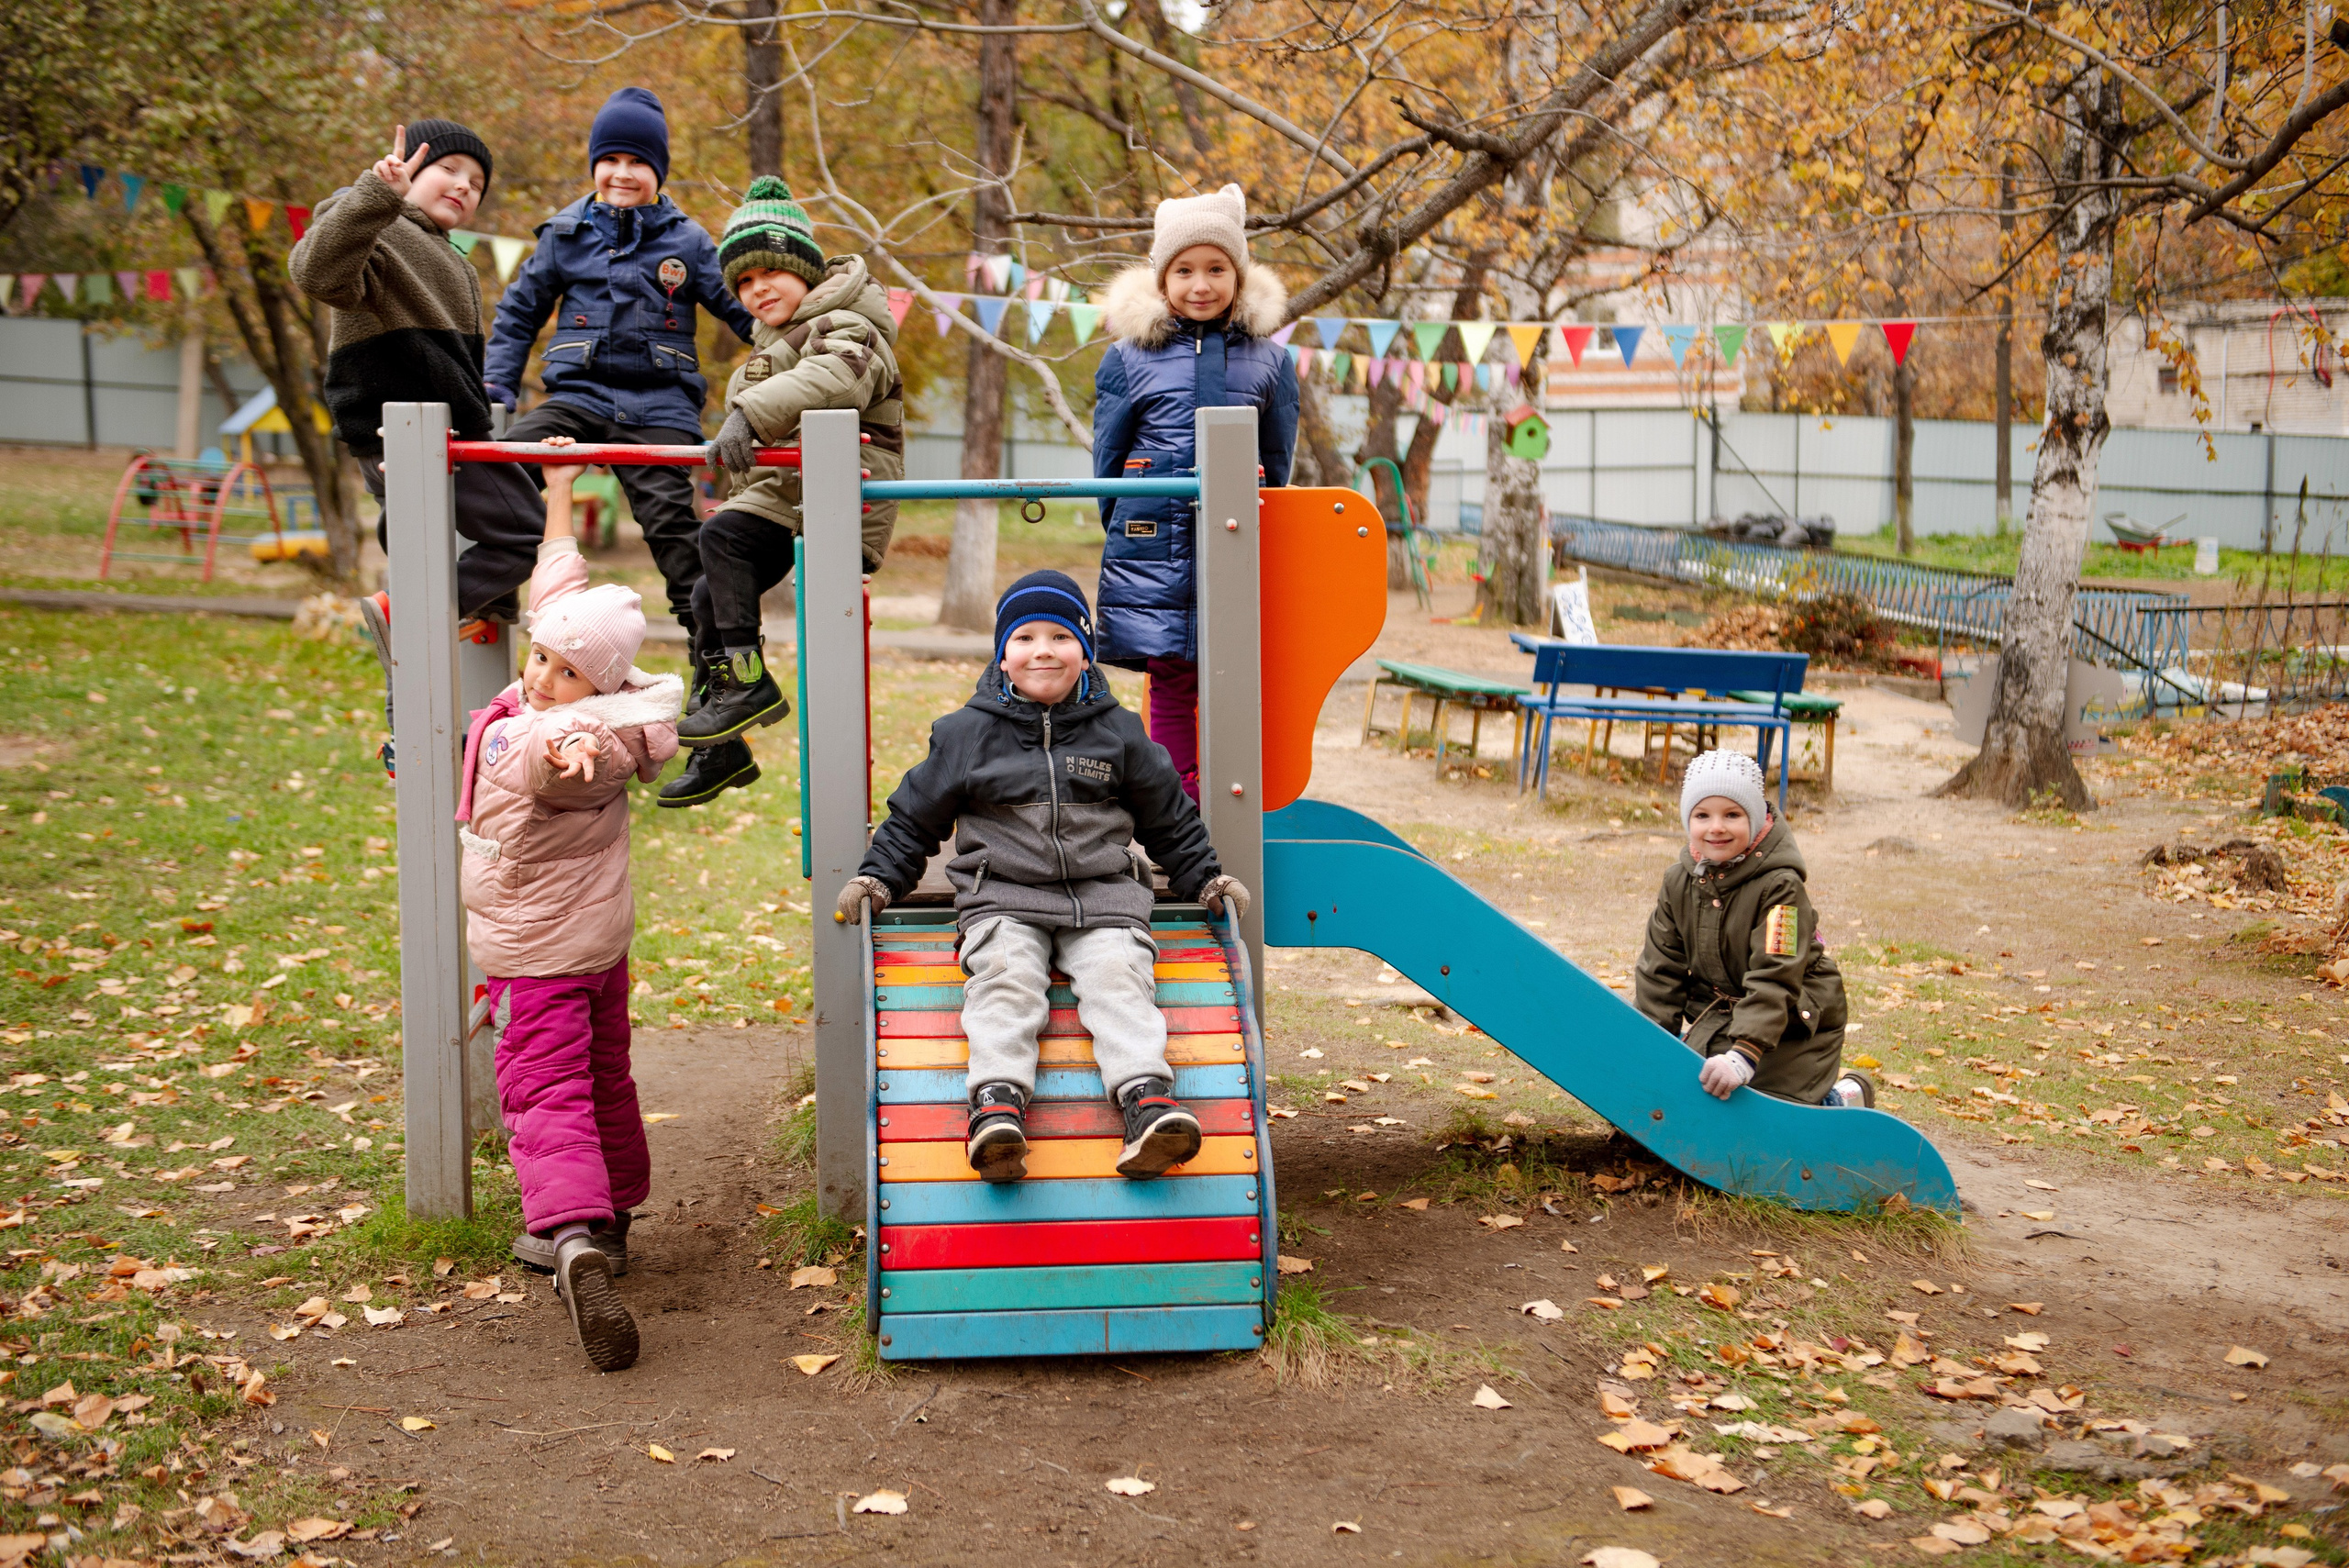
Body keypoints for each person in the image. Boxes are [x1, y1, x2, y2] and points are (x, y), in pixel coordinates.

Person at [833, 572, 1248, 1182]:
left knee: (1120, 976)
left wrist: (1205, 878)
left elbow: (1169, 818)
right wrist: (879, 878)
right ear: (1002, 654)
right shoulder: (967, 734)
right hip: (1004, 895)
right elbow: (914, 816)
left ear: (1086, 650)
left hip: (1102, 897)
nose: (1043, 650)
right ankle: (997, 1106)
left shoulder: (1119, 732)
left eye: (1061, 635)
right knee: (1004, 977)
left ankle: (1147, 1102)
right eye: (1024, 637)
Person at [457, 438, 684, 1372]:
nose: (542, 676)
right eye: (538, 658)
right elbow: (561, 583)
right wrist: (558, 490)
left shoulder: (547, 737)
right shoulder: (622, 700)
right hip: (597, 947)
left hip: (532, 956)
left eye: (563, 671)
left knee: (543, 1088)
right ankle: (616, 1215)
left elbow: (557, 758)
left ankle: (573, 1236)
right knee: (604, 1073)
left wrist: (565, 748)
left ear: (601, 689)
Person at [291, 119, 549, 773]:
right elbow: (315, 270)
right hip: (399, 427)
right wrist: (374, 195)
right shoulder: (372, 227)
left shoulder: (454, 263)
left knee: (421, 557)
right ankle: (408, 611)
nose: (464, 186)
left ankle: (410, 720)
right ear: (405, 167)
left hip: (449, 428)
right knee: (521, 528)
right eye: (449, 169)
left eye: (478, 183)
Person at [483, 87, 758, 643]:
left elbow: (743, 312)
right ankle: (484, 597)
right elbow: (517, 314)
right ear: (594, 165)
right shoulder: (565, 235)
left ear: (659, 170)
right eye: (610, 159)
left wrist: (792, 352)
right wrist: (496, 387)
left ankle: (719, 672)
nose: (623, 173)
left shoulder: (690, 241)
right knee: (496, 478)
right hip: (577, 399)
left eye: (638, 162)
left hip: (659, 402)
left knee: (674, 533)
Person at [670, 176, 904, 806]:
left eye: (771, 271)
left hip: (840, 494)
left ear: (806, 270)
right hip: (789, 494)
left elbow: (838, 380)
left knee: (720, 538)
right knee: (704, 593)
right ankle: (724, 747)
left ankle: (747, 683)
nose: (758, 289)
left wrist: (748, 411)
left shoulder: (850, 321)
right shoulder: (772, 342)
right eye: (744, 282)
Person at [1091, 183, 1298, 802]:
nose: (1200, 285)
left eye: (1216, 269)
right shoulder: (1129, 358)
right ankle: (1176, 797)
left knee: (1233, 673)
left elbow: (1276, 461)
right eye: (1184, 270)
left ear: (1238, 275)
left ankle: (1233, 794)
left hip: (1236, 539)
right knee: (1173, 677)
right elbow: (1106, 464)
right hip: (1155, 542)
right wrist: (1131, 522)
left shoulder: (1269, 362)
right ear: (1161, 280)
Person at [1634, 751, 1871, 1109]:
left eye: (1732, 814)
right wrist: (1652, 1047)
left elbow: (1776, 974)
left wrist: (1744, 1053)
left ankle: (1844, 1097)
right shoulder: (1678, 882)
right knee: (1695, 1095)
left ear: (1756, 818)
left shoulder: (1781, 887)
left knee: (1761, 1112)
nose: (1716, 827)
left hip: (1790, 1020)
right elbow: (1660, 967)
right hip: (1721, 1013)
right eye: (1702, 815)